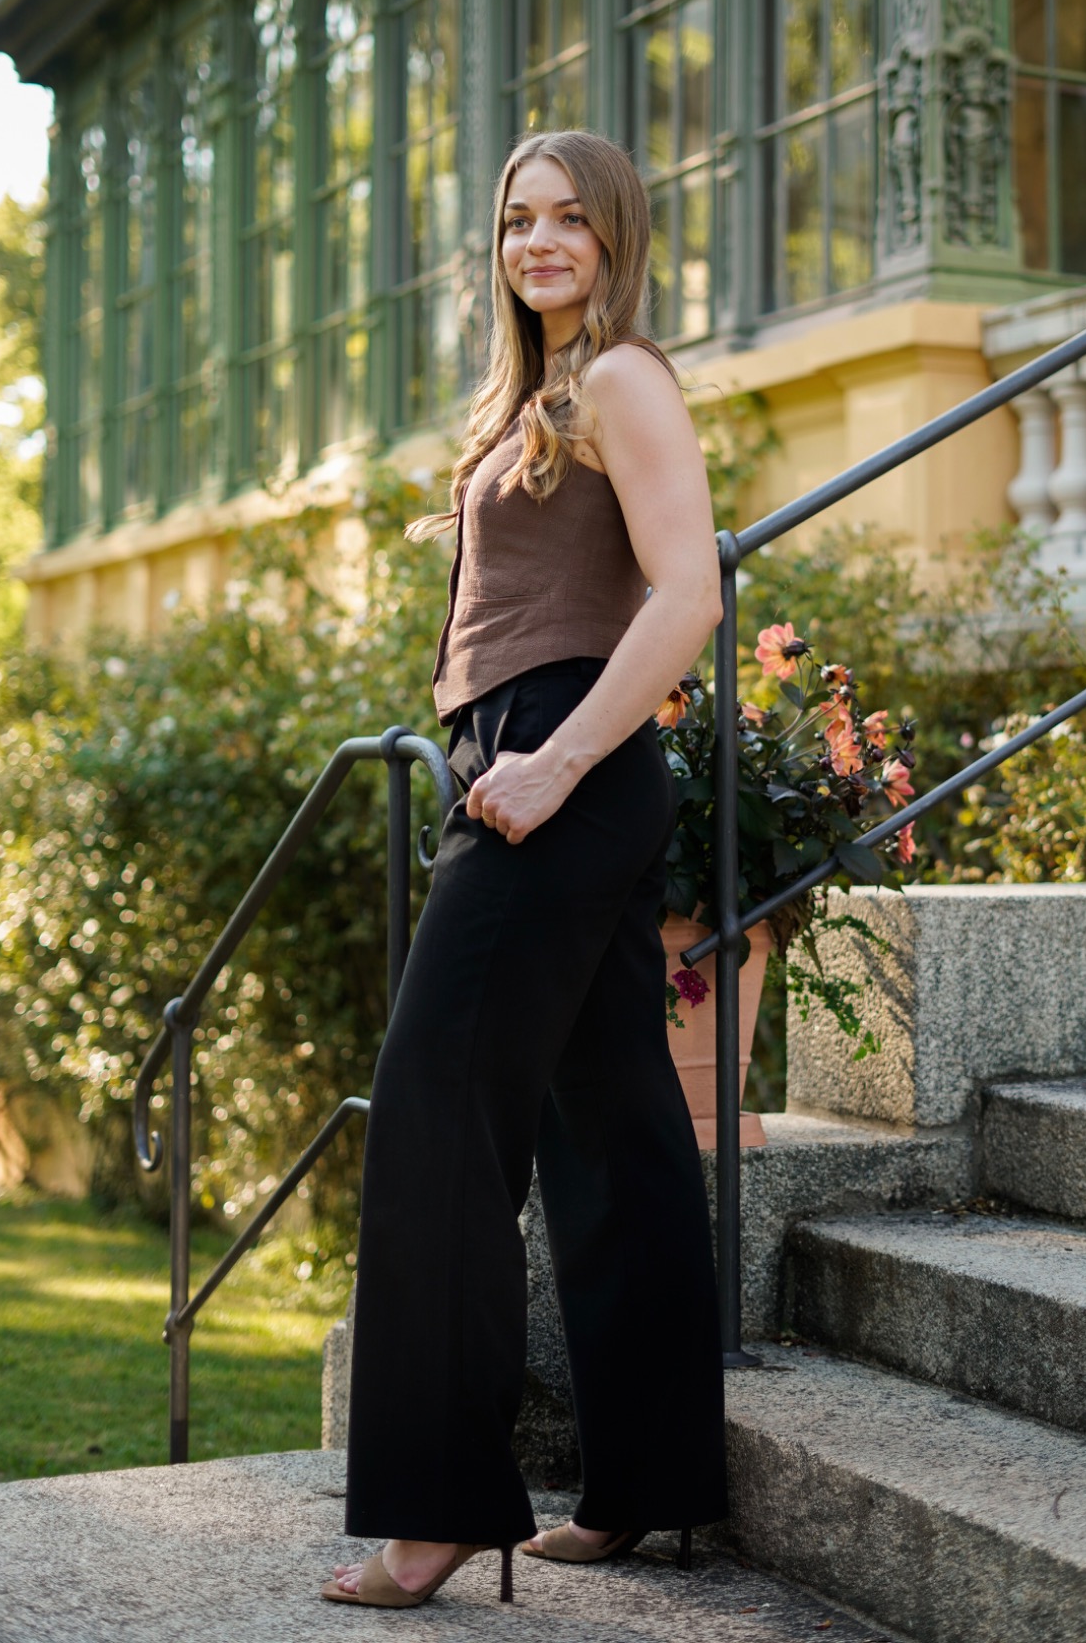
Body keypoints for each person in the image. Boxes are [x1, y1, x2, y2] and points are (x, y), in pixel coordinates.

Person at [320, 129, 729, 1611]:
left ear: (615, 234)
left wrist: (553, 765)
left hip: (560, 766)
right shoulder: (539, 395)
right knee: (612, 1123)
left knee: (436, 1112)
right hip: (522, 760)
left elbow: (690, 590)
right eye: (515, 219)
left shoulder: (621, 378)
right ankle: (647, 1485)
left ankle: (437, 1510)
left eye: (568, 218)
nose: (538, 241)